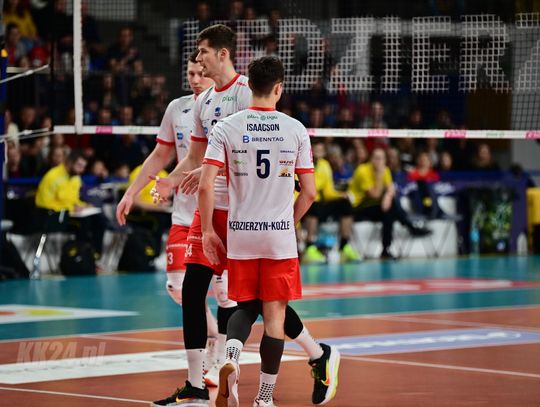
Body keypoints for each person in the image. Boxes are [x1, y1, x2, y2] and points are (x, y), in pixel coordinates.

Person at [152, 24, 340, 406]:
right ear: (277, 88)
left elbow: (231, 163)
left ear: (223, 54)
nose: (197, 62)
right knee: (196, 290)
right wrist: (173, 180)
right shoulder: (205, 103)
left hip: (237, 212)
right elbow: (196, 158)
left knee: (248, 301)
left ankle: (311, 353)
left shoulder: (244, 97)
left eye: (202, 53)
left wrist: (206, 176)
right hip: (231, 213)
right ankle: (201, 382)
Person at [200, 56, 339, 407]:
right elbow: (310, 192)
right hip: (278, 236)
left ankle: (232, 356)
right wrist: (289, 222)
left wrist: (206, 231)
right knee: (274, 318)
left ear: (250, 87)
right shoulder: (295, 129)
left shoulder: (226, 127)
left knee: (245, 306)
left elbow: (205, 185)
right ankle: (263, 399)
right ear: (279, 88)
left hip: (241, 233)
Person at [115, 50, 227, 393]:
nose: (195, 79)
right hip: (184, 213)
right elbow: (161, 154)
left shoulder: (227, 105)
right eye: (190, 73)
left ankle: (220, 359)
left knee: (225, 293)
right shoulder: (177, 108)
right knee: (178, 286)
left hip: (220, 211)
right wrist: (132, 192)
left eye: (200, 73)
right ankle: (211, 337)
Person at [349, 148, 430, 259]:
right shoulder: (362, 170)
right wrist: (378, 176)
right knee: (390, 209)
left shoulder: (385, 169)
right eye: (376, 158)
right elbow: (375, 195)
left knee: (389, 212)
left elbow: (391, 188)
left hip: (376, 206)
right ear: (371, 159)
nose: (379, 161)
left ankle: (386, 249)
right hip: (358, 207)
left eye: (381, 158)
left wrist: (387, 197)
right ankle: (410, 228)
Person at [35, 150, 105, 257]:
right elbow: (42, 203)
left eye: (83, 167)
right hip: (52, 217)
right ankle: (80, 256)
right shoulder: (52, 176)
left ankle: (95, 255)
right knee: (84, 223)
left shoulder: (76, 177)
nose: (82, 170)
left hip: (70, 215)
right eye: (79, 165)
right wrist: (70, 208)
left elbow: (74, 200)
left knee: (99, 220)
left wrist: (84, 205)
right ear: (69, 162)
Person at [302, 140, 361, 264]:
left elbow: (328, 191)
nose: (318, 153)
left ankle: (344, 247)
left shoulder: (325, 165)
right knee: (314, 205)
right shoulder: (302, 163)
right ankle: (309, 248)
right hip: (305, 202)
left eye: (321, 150)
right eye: (315, 150)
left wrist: (342, 195)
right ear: (310, 151)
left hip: (320, 203)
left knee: (345, 205)